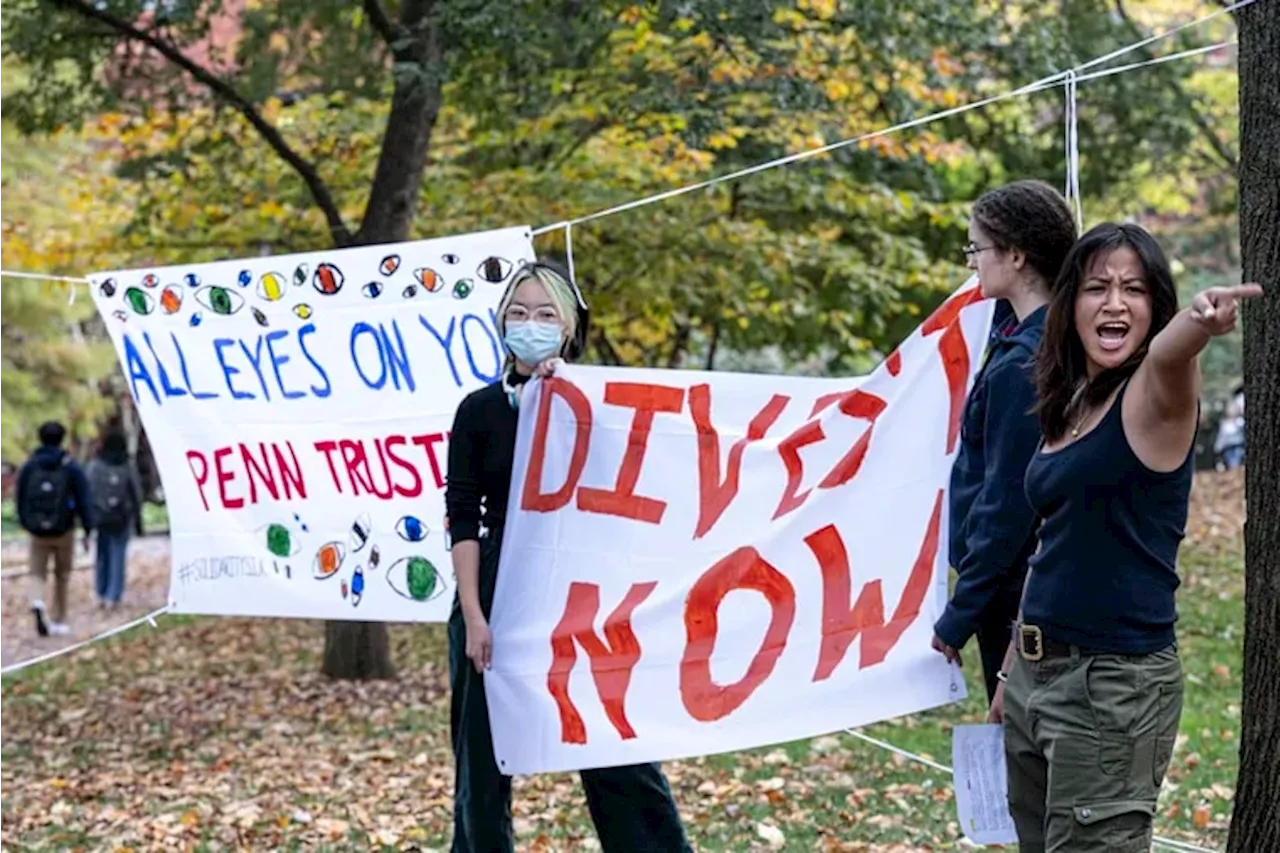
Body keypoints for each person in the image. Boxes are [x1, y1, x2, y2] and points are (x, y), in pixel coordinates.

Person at [992, 222, 1260, 851]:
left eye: (1134, 289)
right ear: (1071, 307)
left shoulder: (1156, 396)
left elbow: (1171, 353)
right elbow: (1053, 540)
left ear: (1154, 308)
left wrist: (1198, 320)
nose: (1114, 302)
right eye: (1097, 288)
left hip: (1110, 689)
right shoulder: (1074, 401)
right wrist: (1011, 673)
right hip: (1036, 676)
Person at [444, 259, 692, 853]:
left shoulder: (592, 404)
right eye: (519, 312)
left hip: (580, 588)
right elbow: (463, 516)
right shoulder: (478, 411)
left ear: (570, 327)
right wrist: (475, 615)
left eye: (545, 314)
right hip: (497, 588)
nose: (530, 324)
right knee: (480, 759)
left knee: (609, 741)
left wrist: (567, 399)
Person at [932, 179, 1078, 702]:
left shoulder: (1022, 367)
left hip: (1013, 593)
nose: (971, 262)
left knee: (1018, 746)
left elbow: (1007, 503)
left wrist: (960, 614)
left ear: (1016, 255)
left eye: (977, 248)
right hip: (1022, 587)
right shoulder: (1036, 337)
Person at [16, 420, 94, 636]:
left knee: (36, 572)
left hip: (37, 532)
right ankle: (59, 619)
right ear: (62, 439)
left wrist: (25, 521)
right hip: (64, 529)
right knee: (62, 574)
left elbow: (20, 495)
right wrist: (87, 528)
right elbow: (84, 498)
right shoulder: (70, 466)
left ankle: (37, 600)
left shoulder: (30, 466)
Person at [86, 428, 145, 609]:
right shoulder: (127, 465)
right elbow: (136, 494)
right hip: (122, 518)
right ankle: (114, 594)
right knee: (118, 555)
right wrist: (138, 520)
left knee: (102, 556)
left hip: (101, 518)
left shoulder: (95, 466)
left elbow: (89, 493)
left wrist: (89, 520)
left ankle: (100, 592)